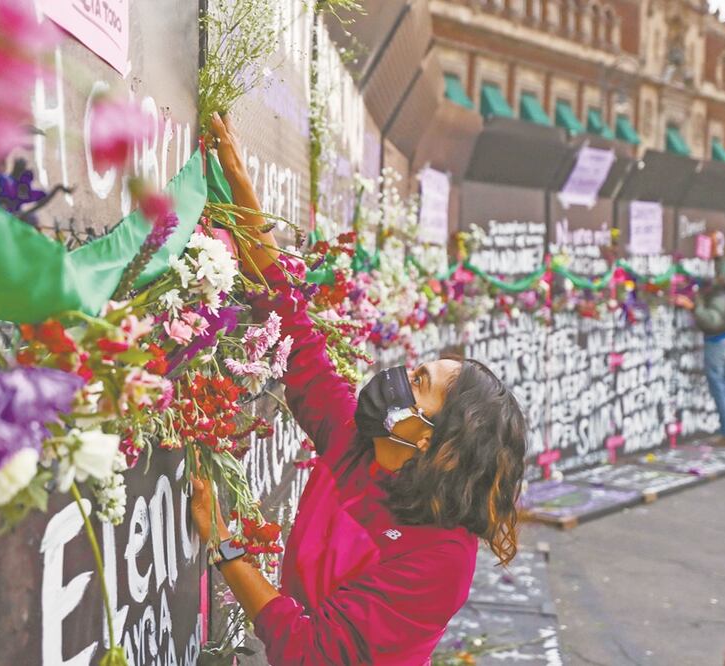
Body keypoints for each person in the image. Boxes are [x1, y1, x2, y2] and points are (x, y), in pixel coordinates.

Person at [189, 113, 528, 665]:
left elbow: (309, 651)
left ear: (433, 441)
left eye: (419, 383)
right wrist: (240, 190)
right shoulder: (359, 446)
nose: (399, 377)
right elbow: (293, 331)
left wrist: (223, 542)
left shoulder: (441, 560)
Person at [674, 231, 725, 445]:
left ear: (724, 281)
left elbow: (712, 321)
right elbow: (724, 271)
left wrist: (692, 306)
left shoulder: (720, 296)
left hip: (716, 343)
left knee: (718, 386)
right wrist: (717, 252)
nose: (719, 274)